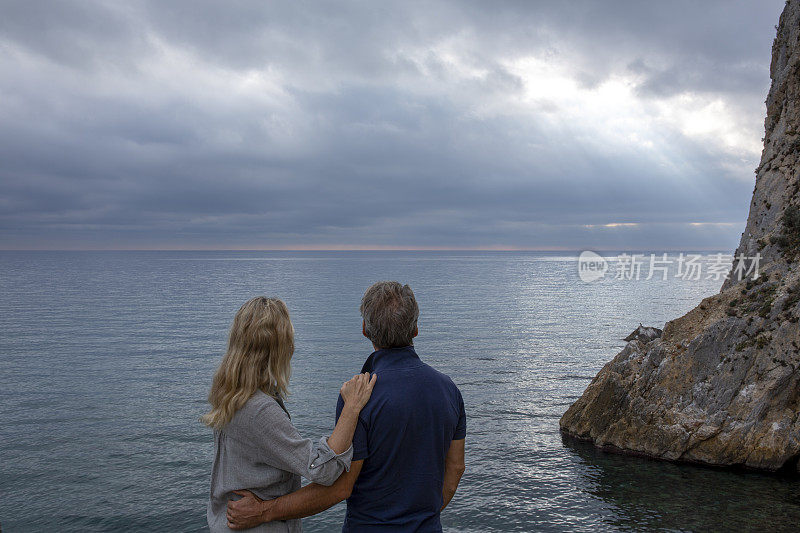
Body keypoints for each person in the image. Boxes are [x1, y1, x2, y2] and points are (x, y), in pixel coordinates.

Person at [228, 282, 467, 532]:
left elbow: (341, 487)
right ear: (416, 329)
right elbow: (456, 469)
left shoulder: (358, 396)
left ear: (365, 329)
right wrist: (421, 518)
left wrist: (264, 512)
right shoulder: (449, 390)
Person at [204, 296, 377, 533]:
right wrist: (352, 407)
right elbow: (323, 470)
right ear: (280, 347)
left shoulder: (230, 394)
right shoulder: (259, 410)